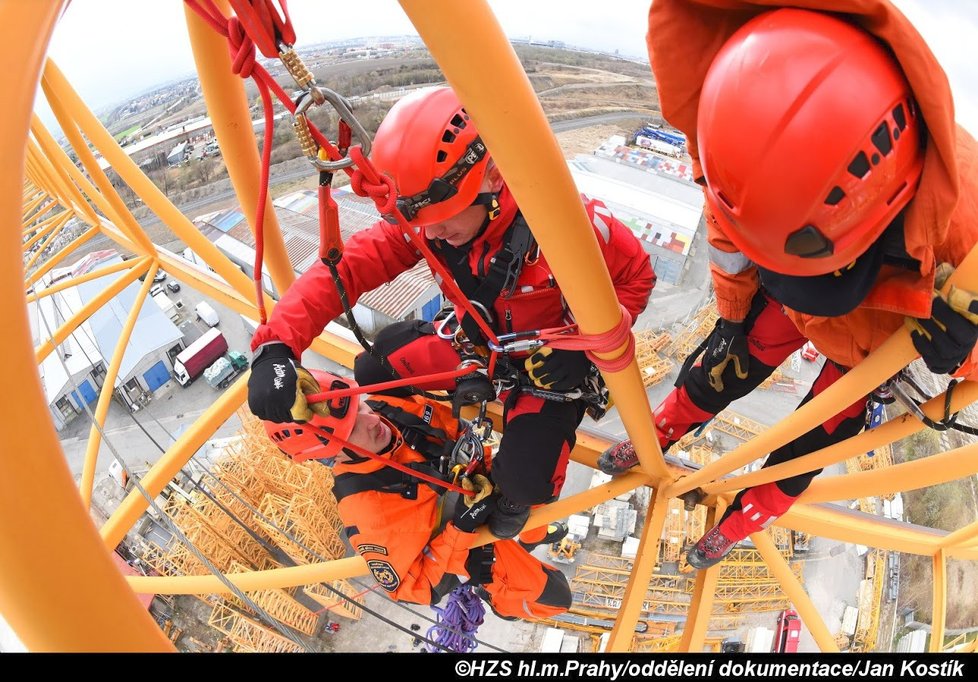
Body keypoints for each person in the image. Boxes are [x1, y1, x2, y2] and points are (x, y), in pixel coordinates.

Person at [600, 2, 978, 569]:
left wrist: (962, 351)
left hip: (882, 333)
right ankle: (658, 434)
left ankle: (742, 521)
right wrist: (730, 317)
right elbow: (728, 235)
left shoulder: (964, 241)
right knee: (726, 363)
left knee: (810, 444)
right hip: (814, 287)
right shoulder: (739, 134)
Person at [248, 86, 655, 540]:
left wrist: (583, 348)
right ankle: (424, 440)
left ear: (493, 180)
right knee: (375, 361)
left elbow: (636, 277)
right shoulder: (432, 223)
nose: (433, 232)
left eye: (445, 216)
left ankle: (516, 499)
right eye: (422, 221)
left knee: (522, 483)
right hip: (478, 351)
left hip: (549, 375)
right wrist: (277, 344)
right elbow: (352, 265)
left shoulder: (568, 224)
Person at [262, 369, 573, 620]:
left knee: (538, 481)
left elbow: (455, 428)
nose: (373, 421)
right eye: (353, 428)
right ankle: (503, 603)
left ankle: (534, 534)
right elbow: (416, 587)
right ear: (332, 455)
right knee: (555, 596)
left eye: (362, 407)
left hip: (480, 479)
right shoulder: (368, 512)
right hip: (464, 545)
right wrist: (461, 529)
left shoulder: (393, 408)